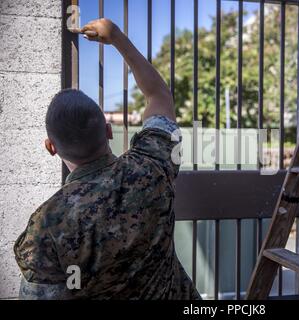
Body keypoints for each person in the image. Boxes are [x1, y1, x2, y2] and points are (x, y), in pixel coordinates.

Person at [14, 18, 200, 300]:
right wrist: (116, 37)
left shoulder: (47, 225)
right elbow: (159, 96)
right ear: (109, 131)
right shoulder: (150, 167)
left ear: (51, 147)